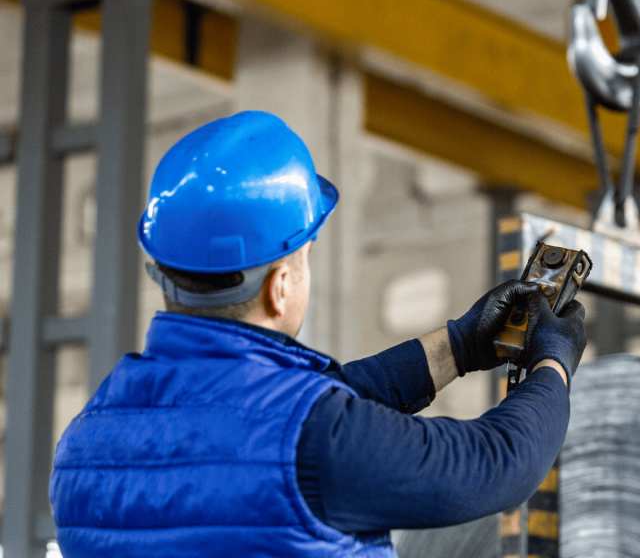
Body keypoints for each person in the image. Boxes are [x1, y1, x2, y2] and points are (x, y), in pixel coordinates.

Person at [48, 111, 587, 557]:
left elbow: (277, 418)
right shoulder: (316, 440)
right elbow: (495, 464)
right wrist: (553, 362)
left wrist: (460, 346)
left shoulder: (85, 441)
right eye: (303, 259)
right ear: (280, 287)